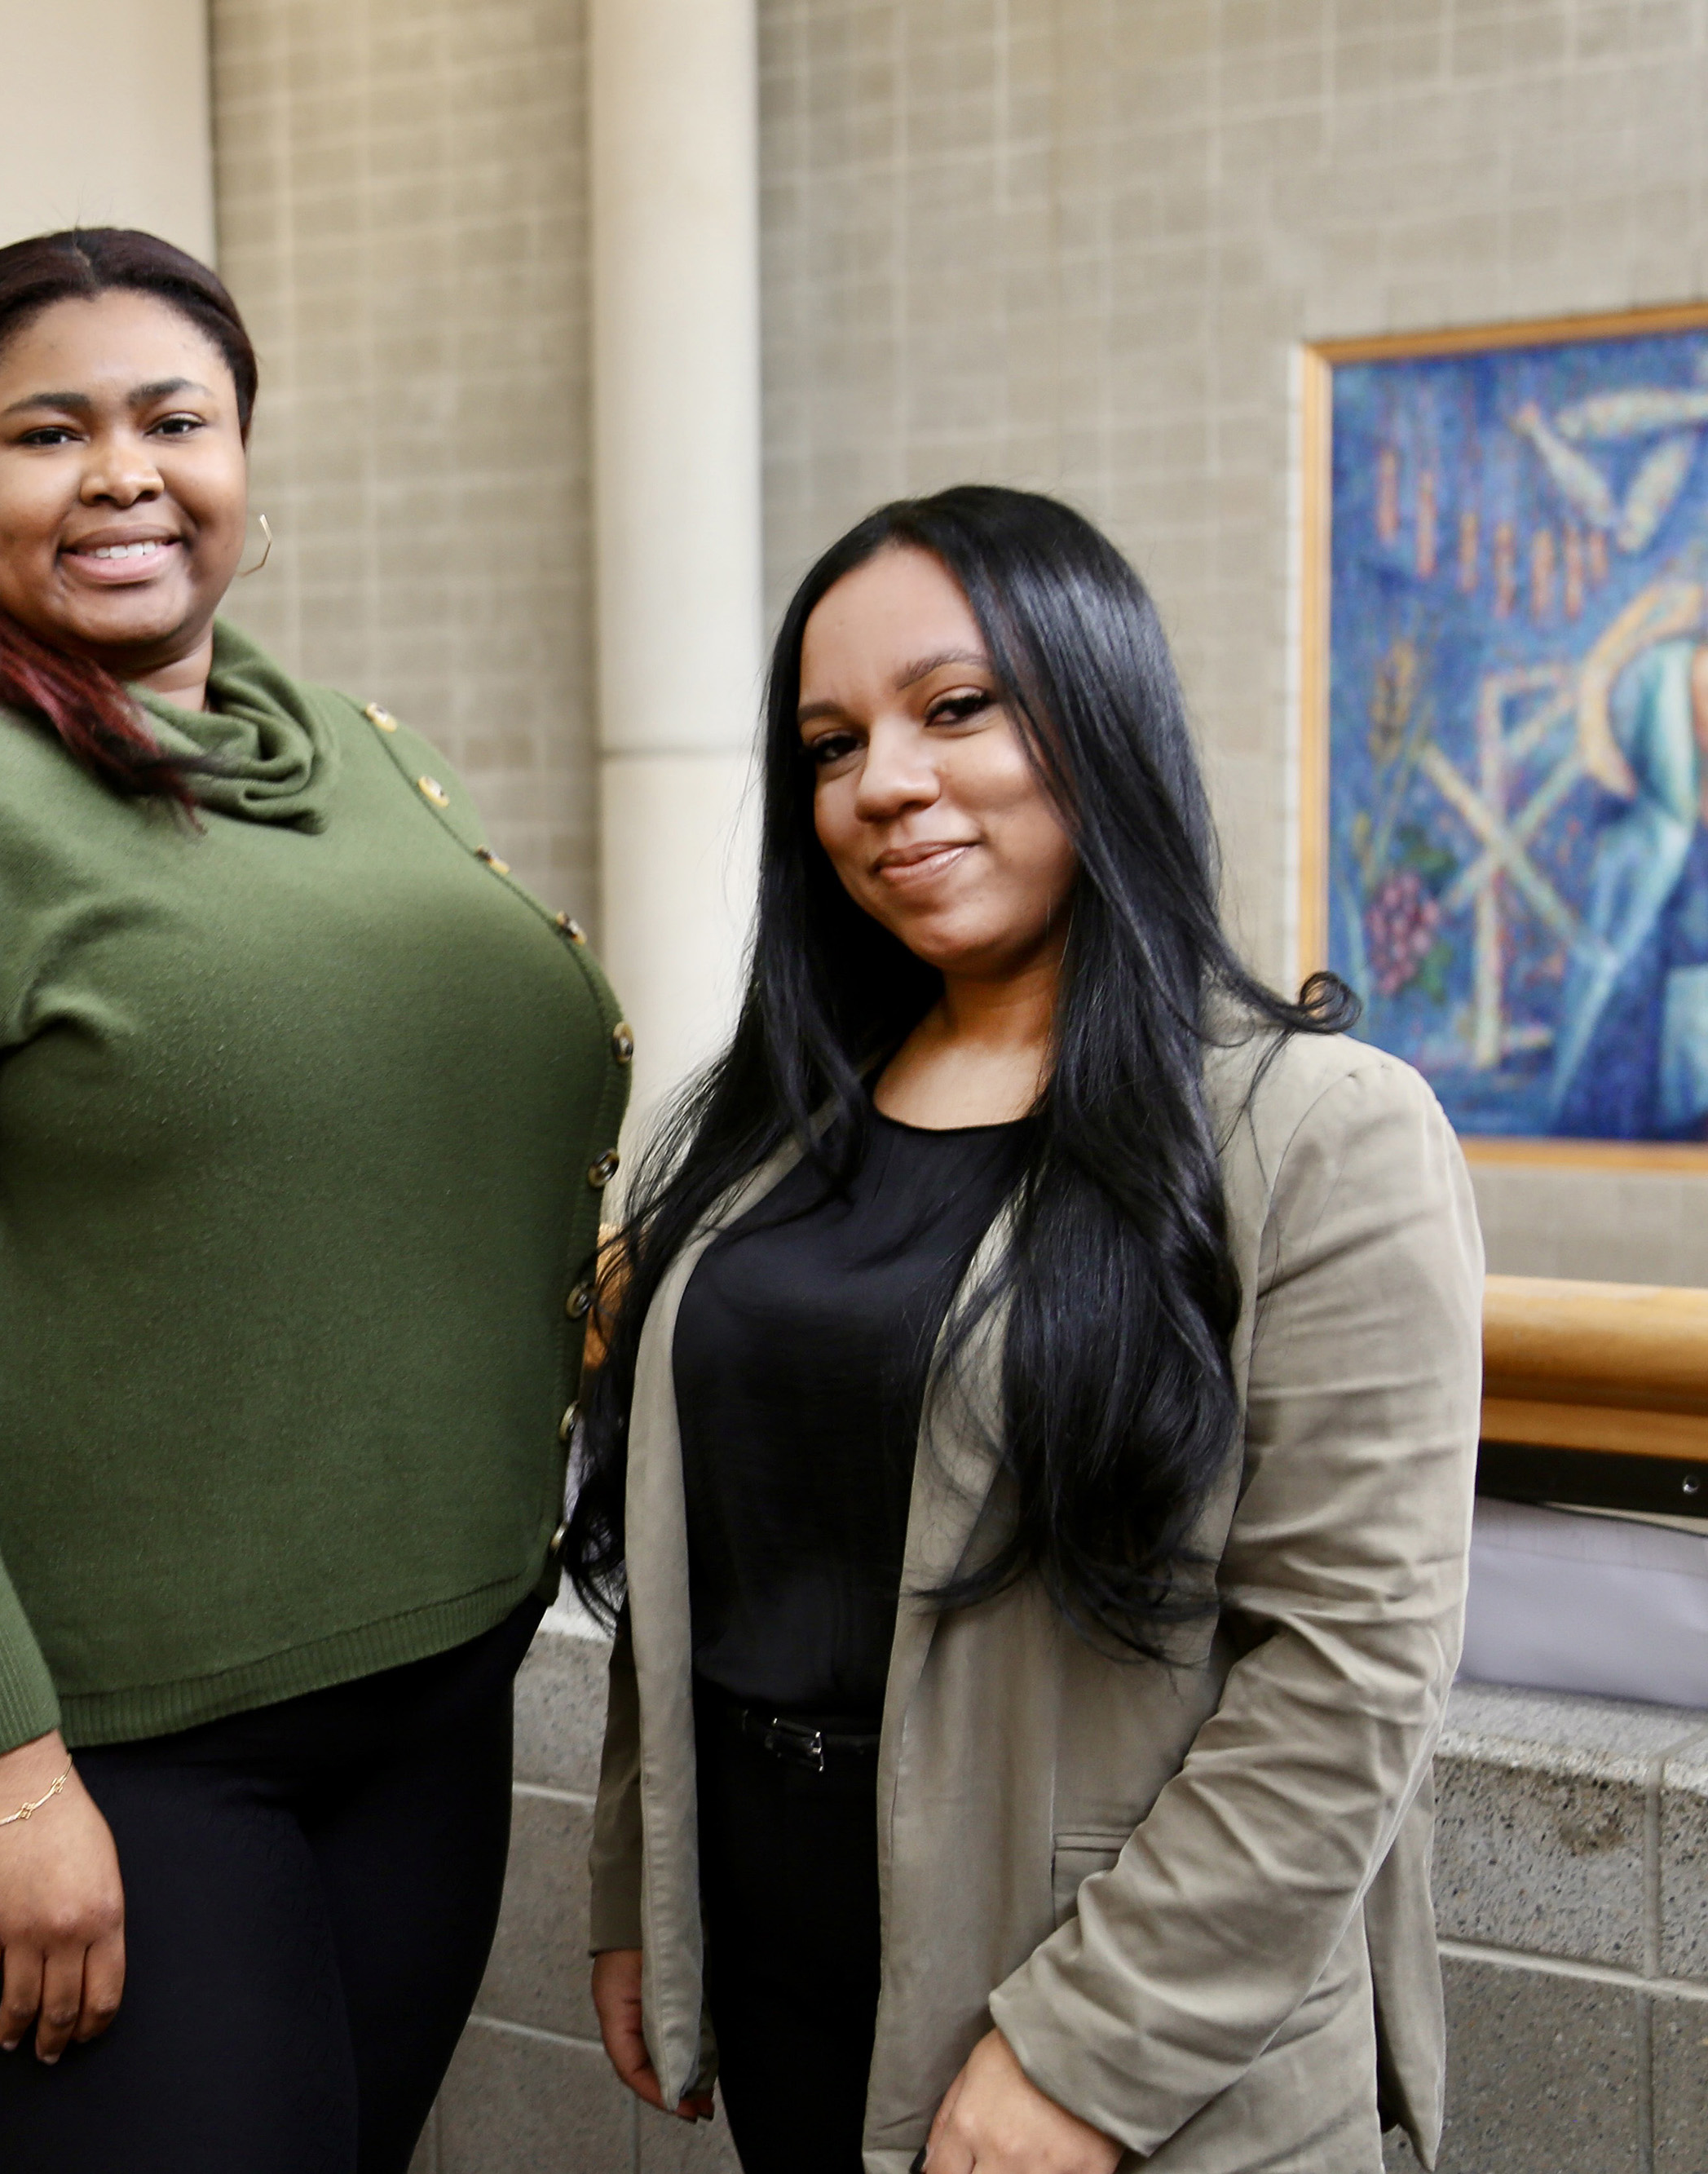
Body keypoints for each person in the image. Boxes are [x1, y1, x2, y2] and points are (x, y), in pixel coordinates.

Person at [0, 228, 629, 2174]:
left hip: (420, 1694)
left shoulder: (366, 763)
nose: (121, 471)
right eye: (47, 429)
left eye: (171, 417)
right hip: (85, 1742)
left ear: (241, 457)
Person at [569, 485, 1481, 2174]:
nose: (881, 784)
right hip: (780, 1961)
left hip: (1111, 2017)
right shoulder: (777, 1131)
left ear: (1095, 710)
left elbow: (1346, 1673)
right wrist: (648, 1884)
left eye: (954, 707)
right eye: (830, 745)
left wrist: (1082, 2053)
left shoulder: (1311, 1133)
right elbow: (692, 1548)